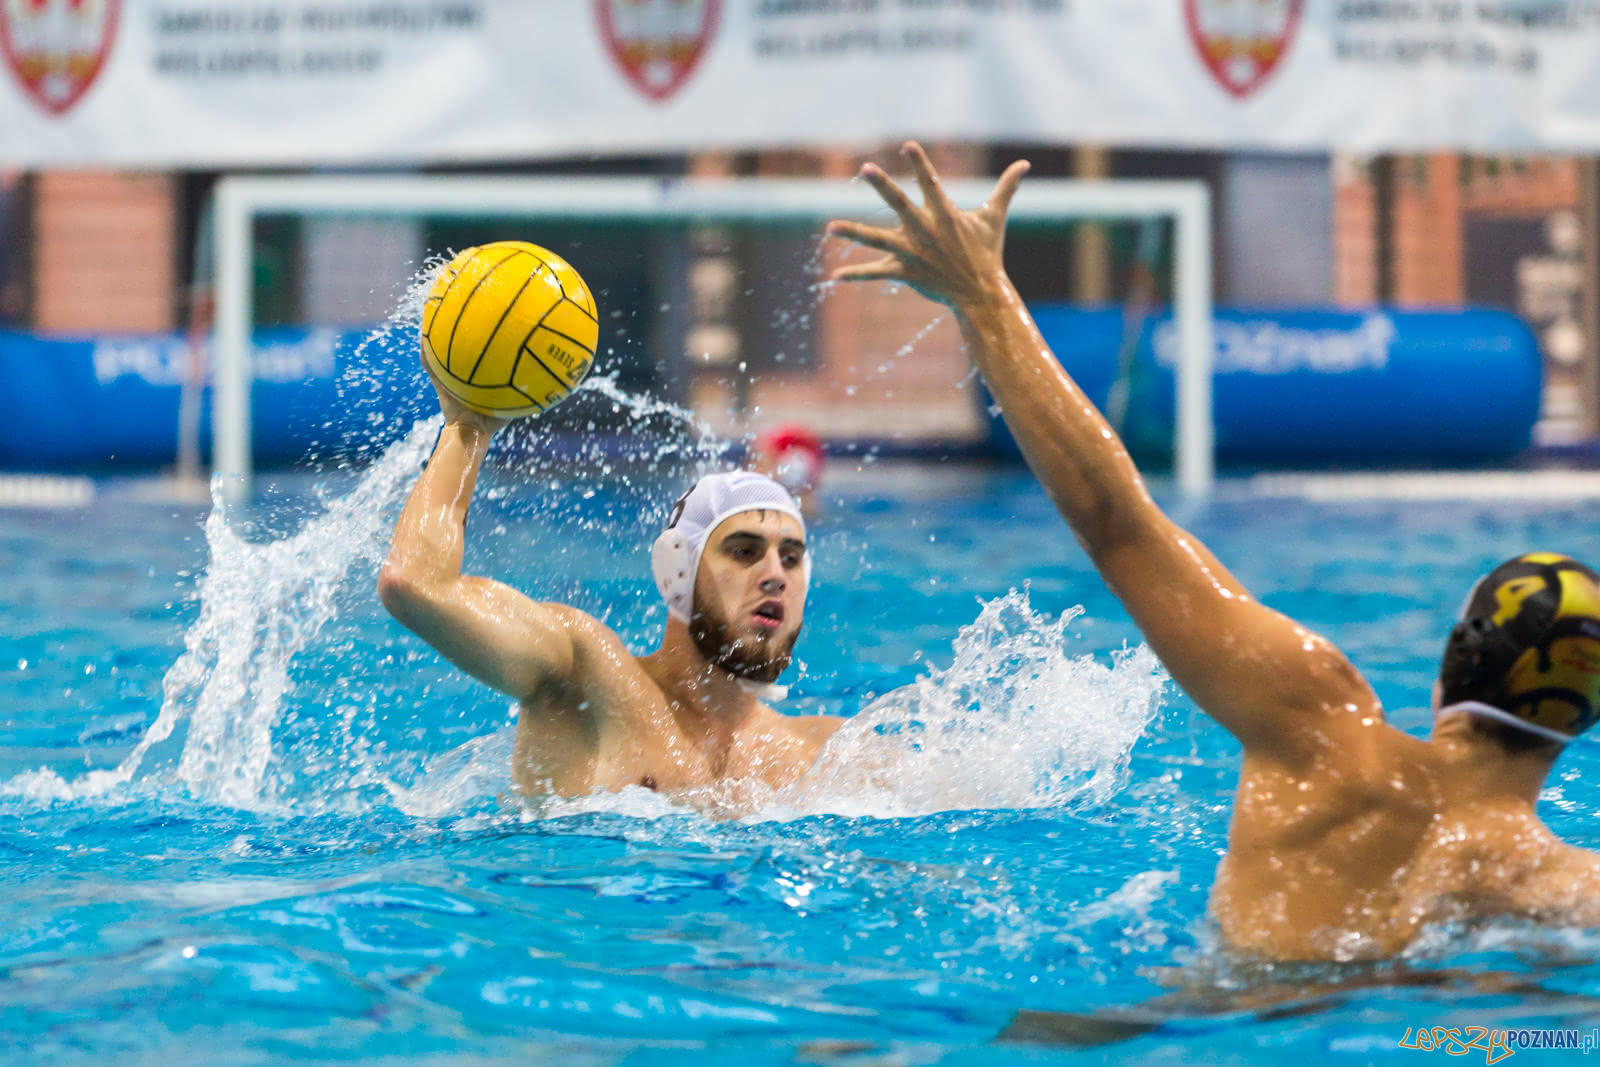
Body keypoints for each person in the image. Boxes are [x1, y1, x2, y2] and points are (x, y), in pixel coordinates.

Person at [825, 141, 1600, 961]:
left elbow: (1116, 520)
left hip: (1210, 1016)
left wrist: (984, 296)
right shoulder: (1567, 887)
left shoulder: (1319, 721)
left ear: (1455, 663)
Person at [379, 387, 843, 805]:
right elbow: (418, 585)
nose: (775, 575)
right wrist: (469, 425)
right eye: (744, 552)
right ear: (678, 569)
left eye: (791, 558)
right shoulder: (584, 677)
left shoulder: (823, 754)